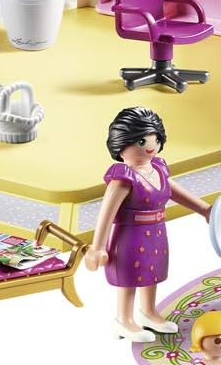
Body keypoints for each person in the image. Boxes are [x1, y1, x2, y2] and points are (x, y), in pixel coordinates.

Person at [84, 107, 211, 342]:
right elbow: (106, 213)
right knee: (130, 276)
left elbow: (174, 191)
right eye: (142, 141)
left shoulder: (158, 169)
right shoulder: (123, 178)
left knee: (151, 272)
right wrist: (98, 247)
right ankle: (124, 319)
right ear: (121, 144)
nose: (150, 145)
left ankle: (149, 312)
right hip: (130, 236)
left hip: (156, 232)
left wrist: (204, 209)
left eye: (155, 139)